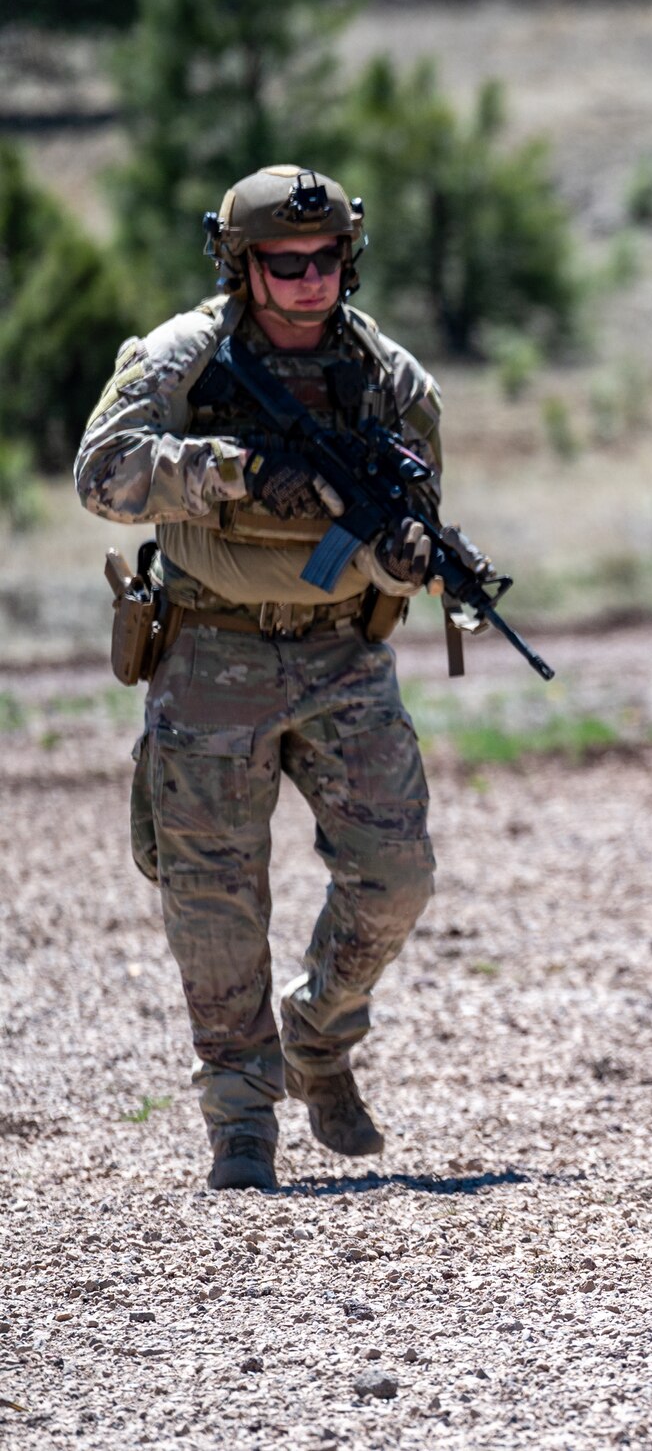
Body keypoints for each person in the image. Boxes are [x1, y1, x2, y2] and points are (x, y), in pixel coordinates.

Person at [76, 165, 455, 1191]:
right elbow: (101, 475)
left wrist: (408, 557)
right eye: (282, 264)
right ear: (242, 266)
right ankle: (239, 1116)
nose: (307, 279)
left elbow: (405, 510)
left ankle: (318, 1032)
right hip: (211, 651)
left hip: (343, 650)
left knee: (397, 875)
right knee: (213, 896)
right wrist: (228, 470)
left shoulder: (390, 379)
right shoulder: (182, 357)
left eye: (325, 260)